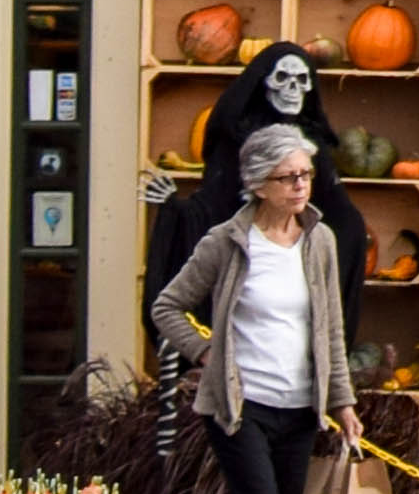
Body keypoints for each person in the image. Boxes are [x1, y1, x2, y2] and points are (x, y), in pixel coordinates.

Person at [148, 122, 358, 494]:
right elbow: (167, 306)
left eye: (306, 175)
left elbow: (330, 330)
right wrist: (206, 351)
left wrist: (343, 403)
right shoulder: (227, 241)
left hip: (298, 410)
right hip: (239, 408)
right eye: (288, 177)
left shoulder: (320, 241)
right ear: (259, 184)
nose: (300, 187)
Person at [145, 35, 372, 326]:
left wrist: (345, 232)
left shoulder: (311, 138)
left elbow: (335, 206)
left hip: (295, 253)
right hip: (247, 254)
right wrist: (175, 210)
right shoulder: (238, 138)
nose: (292, 89)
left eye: (301, 80)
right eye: (282, 78)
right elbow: (214, 204)